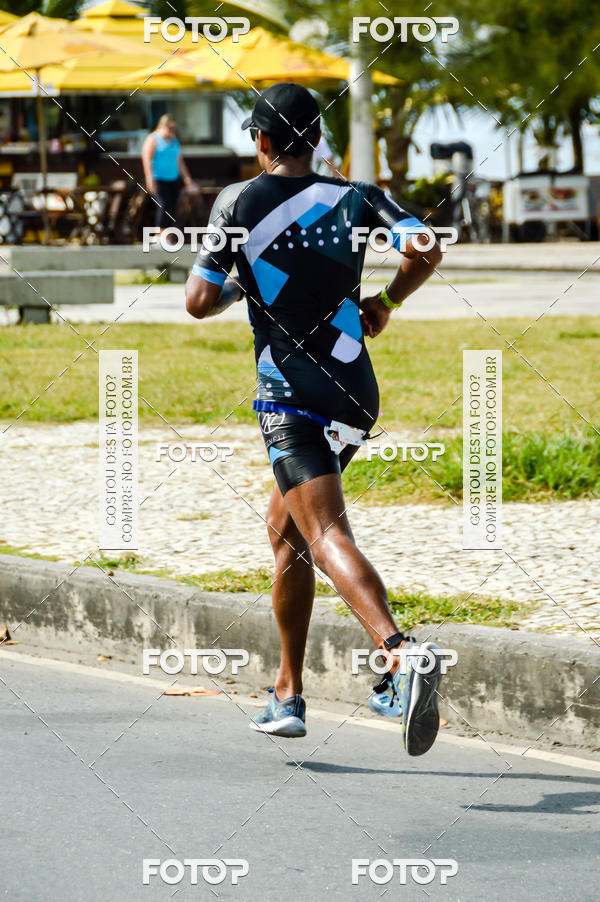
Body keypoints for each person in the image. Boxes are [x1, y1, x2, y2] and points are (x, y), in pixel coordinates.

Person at [185, 83, 444, 757]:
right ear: (317, 139)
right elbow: (426, 246)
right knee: (286, 530)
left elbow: (197, 299)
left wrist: (247, 277)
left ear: (261, 140)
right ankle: (287, 694)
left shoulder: (237, 202)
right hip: (354, 392)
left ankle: (398, 654)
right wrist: (385, 299)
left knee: (321, 530)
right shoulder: (359, 195)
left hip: (290, 395)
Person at [142, 114, 194, 231]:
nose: (171, 130)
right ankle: (159, 232)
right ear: (161, 126)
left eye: (173, 128)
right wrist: (149, 179)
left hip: (173, 178)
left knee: (173, 206)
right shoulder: (153, 139)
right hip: (159, 178)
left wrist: (187, 179)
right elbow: (147, 160)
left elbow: (180, 162)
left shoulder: (174, 141)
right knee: (163, 205)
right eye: (169, 127)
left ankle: (168, 234)